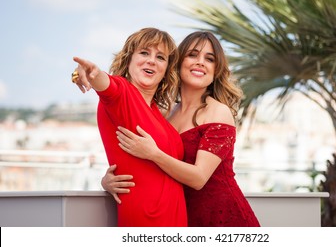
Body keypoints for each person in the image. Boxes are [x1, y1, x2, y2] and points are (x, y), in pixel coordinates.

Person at [103, 31, 260, 227]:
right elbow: (146, 166)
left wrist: (154, 154)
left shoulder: (219, 112)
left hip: (222, 218)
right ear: (177, 62)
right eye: (193, 55)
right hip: (181, 218)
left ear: (216, 70)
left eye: (209, 59)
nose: (200, 62)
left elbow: (199, 178)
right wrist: (107, 181)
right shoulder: (165, 114)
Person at [71, 27, 187, 227]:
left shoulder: (157, 113)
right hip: (147, 221)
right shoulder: (122, 94)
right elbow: (105, 83)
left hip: (175, 222)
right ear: (129, 59)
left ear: (167, 68)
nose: (151, 60)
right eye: (144, 52)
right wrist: (90, 73)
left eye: (160, 57)